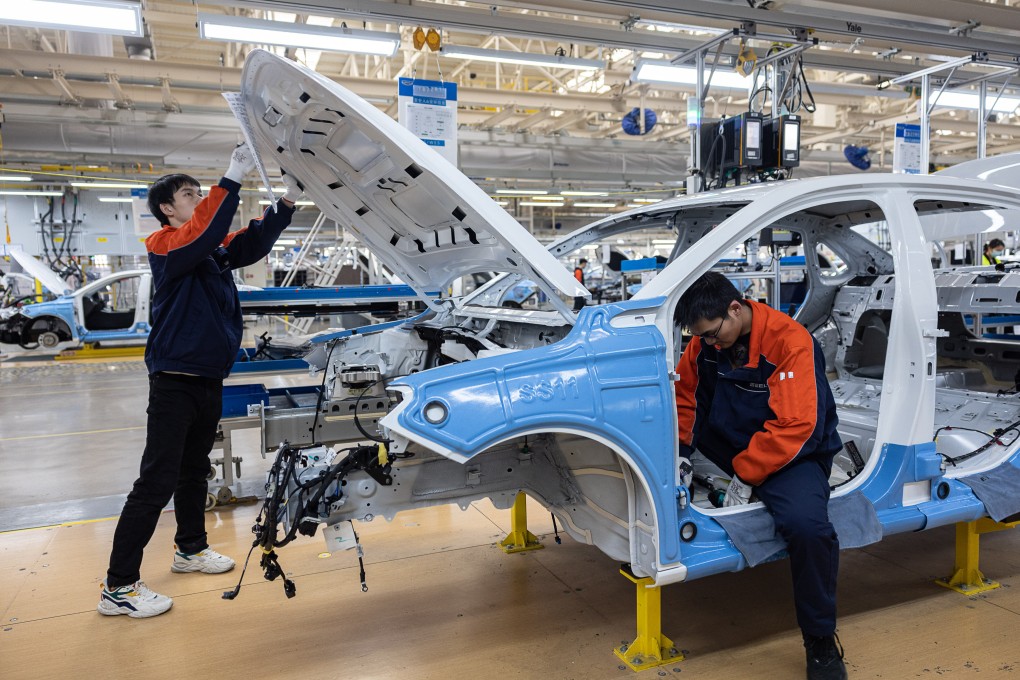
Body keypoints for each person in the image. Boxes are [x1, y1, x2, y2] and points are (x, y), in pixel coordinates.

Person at [98, 144, 303, 618]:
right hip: (174, 380)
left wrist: (287, 202)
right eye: (190, 194)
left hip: (208, 379)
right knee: (155, 482)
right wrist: (232, 176)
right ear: (168, 209)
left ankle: (190, 549)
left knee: (194, 471)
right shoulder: (167, 247)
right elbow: (206, 228)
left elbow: (250, 243)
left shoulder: (208, 254)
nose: (198, 198)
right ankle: (119, 586)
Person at [674, 271, 847, 680]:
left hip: (794, 452)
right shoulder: (704, 342)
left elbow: (795, 426)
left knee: (808, 528)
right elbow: (686, 398)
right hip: (732, 438)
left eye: (714, 334)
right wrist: (679, 455)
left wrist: (746, 476)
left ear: (736, 308)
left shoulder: (789, 342)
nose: (709, 344)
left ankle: (820, 640)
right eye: (703, 338)